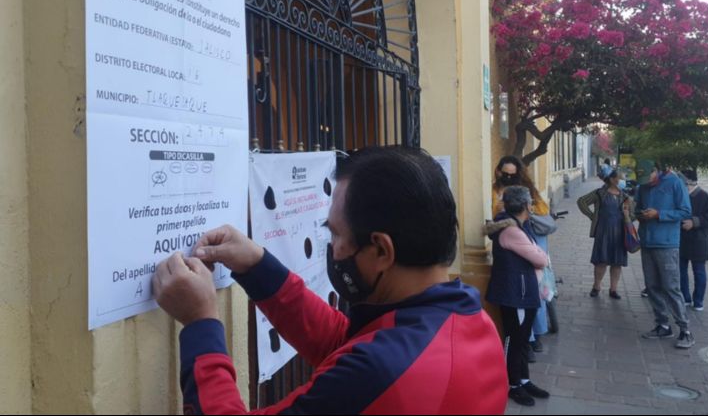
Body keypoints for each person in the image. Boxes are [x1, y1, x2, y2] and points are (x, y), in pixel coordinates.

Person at [152, 146, 508, 415]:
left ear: (382, 250)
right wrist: (257, 267)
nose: (333, 248)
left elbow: (364, 362)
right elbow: (346, 342)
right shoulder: (469, 321)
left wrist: (201, 322)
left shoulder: (382, 370)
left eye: (335, 234)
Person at [485, 186, 551, 407]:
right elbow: (541, 259)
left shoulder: (519, 225)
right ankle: (511, 384)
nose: (532, 206)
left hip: (523, 291)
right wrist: (542, 260)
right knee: (515, 340)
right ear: (524, 206)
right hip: (516, 294)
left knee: (522, 340)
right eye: (530, 203)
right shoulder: (512, 230)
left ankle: (523, 380)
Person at [634, 159, 695, 349]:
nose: (647, 182)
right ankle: (662, 324)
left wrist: (659, 214)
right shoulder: (642, 187)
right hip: (647, 242)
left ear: (656, 170)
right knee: (651, 286)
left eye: (649, 177)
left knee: (671, 287)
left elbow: (685, 211)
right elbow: (638, 209)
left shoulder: (675, 183)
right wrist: (639, 214)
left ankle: (685, 330)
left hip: (667, 243)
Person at [577, 170, 632, 299]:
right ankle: (596, 286)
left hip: (620, 232)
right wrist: (592, 216)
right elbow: (581, 201)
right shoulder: (600, 193)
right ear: (612, 179)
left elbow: (633, 213)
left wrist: (627, 216)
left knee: (617, 262)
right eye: (621, 178)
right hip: (603, 231)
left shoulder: (625, 197)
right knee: (601, 261)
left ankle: (613, 289)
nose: (623, 181)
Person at [679, 169, 708, 312]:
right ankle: (685, 297)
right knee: (681, 270)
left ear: (689, 182)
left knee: (699, 271)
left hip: (699, 240)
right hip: (682, 239)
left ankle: (698, 300)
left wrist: (694, 222)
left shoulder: (704, 196)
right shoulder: (681, 195)